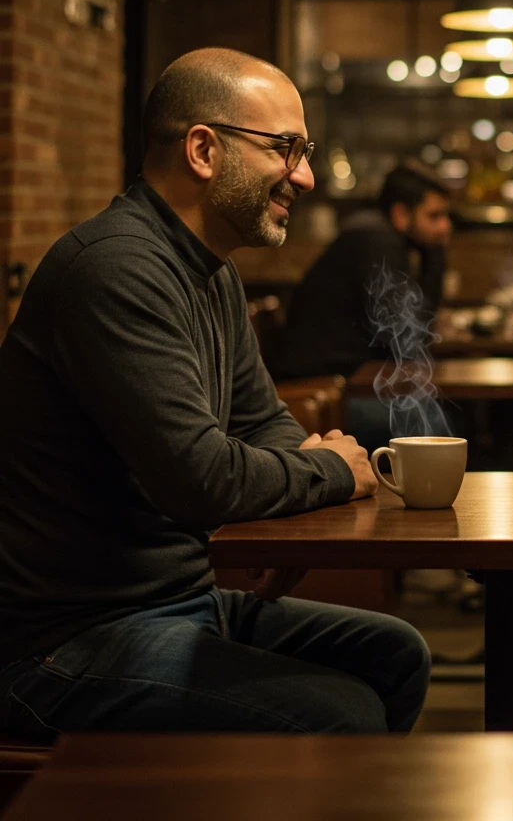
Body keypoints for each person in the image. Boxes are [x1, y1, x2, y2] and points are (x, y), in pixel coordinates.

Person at [0, 48, 431, 740]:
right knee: (340, 715)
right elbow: (200, 479)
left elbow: (262, 422)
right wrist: (330, 472)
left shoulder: (212, 270)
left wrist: (296, 492)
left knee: (395, 655)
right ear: (203, 149)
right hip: (65, 641)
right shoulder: (115, 269)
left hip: (180, 601)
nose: (307, 176)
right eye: (286, 149)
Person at [269, 164, 453, 452]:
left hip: (343, 382)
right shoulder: (375, 239)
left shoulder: (374, 232)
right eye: (435, 216)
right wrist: (437, 256)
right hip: (317, 390)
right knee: (440, 425)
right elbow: (408, 335)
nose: (445, 227)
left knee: (439, 415)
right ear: (401, 214)